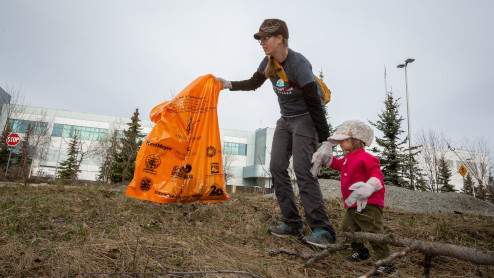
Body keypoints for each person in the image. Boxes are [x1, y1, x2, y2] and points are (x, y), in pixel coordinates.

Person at [216, 18, 336, 248]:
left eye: (265, 38)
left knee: (303, 169)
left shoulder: (299, 63)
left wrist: (325, 140)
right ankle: (293, 224)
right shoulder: (267, 62)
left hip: (306, 119)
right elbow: (253, 83)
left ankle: (324, 230)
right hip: (286, 120)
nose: (261, 42)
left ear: (279, 38)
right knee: (276, 167)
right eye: (259, 38)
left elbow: (314, 102)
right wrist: (228, 84)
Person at [311, 120, 396, 276]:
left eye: (343, 140)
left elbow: (376, 175)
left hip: (369, 203)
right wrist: (325, 158)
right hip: (352, 204)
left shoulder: (367, 158)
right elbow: (337, 164)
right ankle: (361, 251)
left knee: (373, 231)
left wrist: (370, 186)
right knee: (347, 228)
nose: (340, 144)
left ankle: (387, 262)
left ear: (356, 140)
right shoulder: (347, 158)